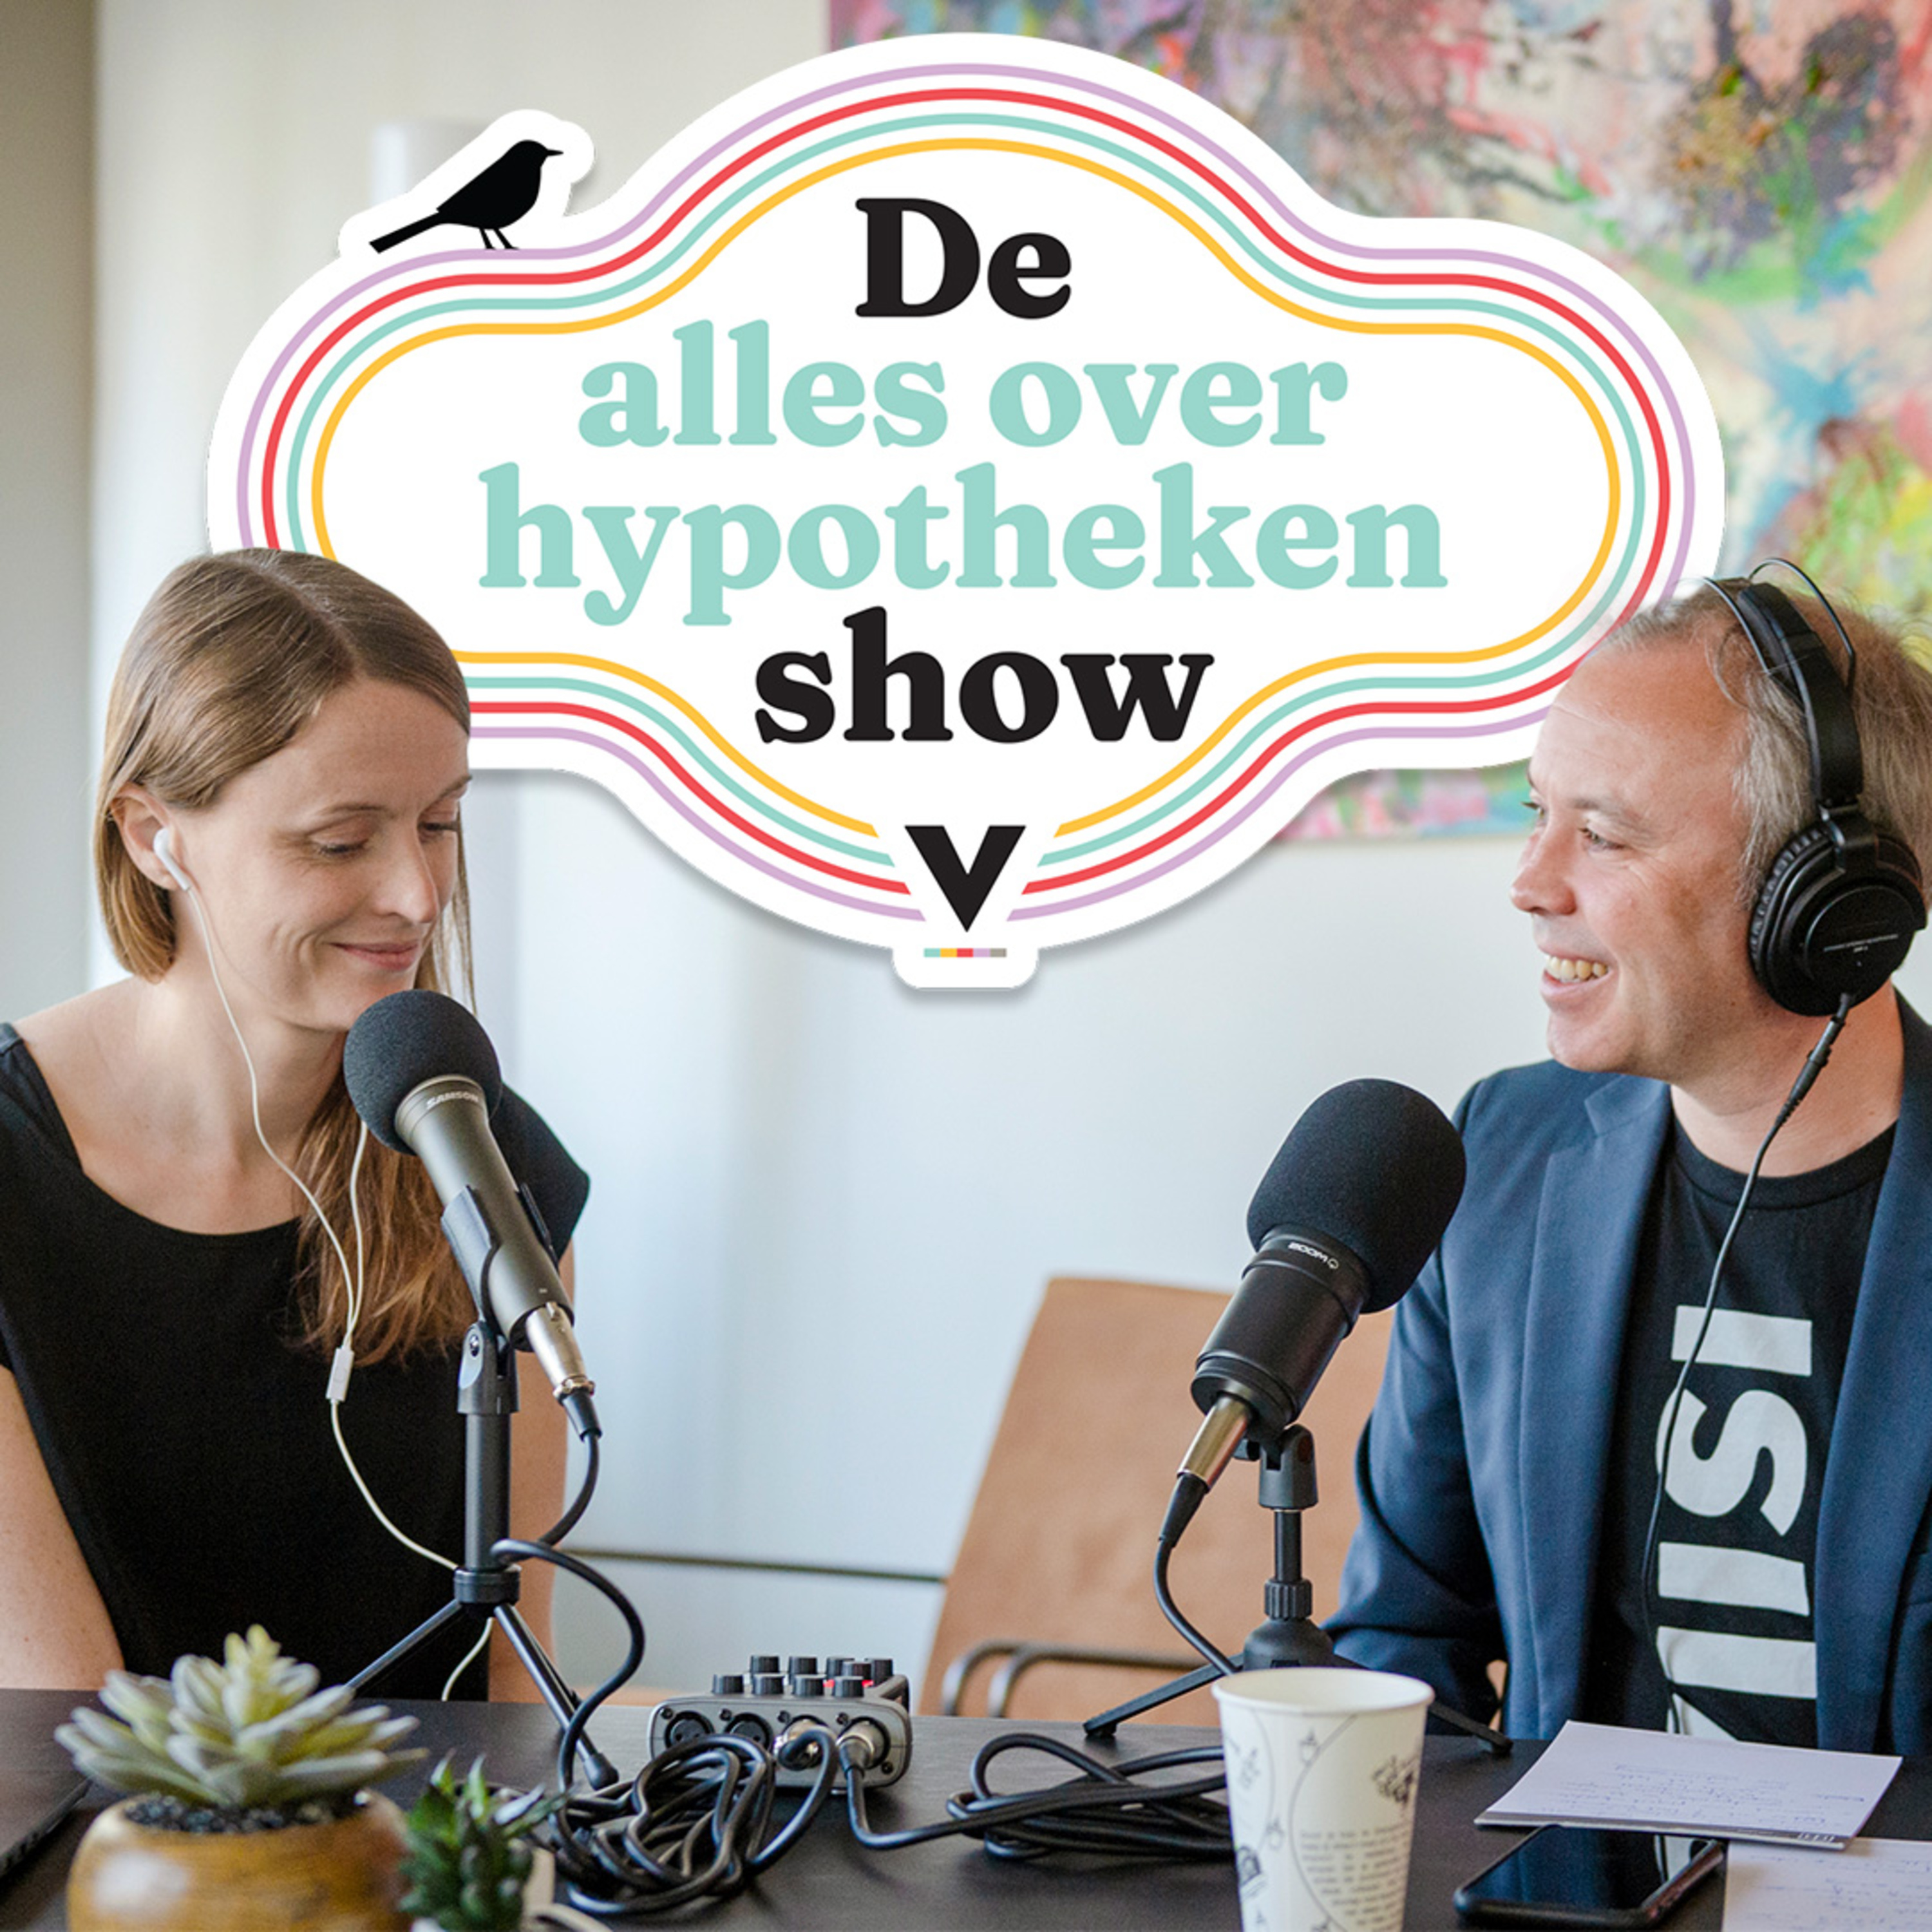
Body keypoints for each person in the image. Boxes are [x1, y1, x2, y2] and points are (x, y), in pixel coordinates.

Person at [1330, 576, 1932, 1753]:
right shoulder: (1501, 1161)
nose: (1530, 883)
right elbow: (1403, 1639)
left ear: (1821, 896)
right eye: (1538, 813)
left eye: (1601, 836)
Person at [0, 549, 587, 1698]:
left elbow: (518, 1679)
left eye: (440, 823)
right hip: (115, 1819)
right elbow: (54, 1723)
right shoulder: (15, 1177)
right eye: (340, 841)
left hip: (444, 1819)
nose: (417, 895)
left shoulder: (479, 1150)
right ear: (153, 835)